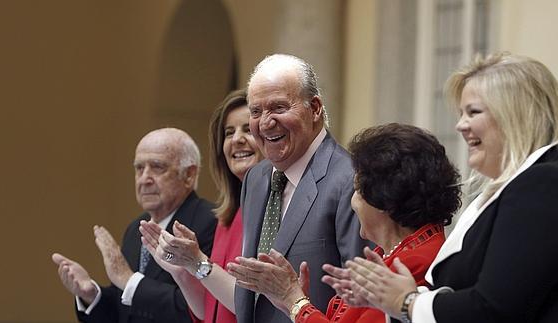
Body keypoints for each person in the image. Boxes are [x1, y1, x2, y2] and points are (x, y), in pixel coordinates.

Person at [345, 53, 558, 323]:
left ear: (514, 114)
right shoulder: (504, 191)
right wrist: (390, 300)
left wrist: (406, 302)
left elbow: (494, 310)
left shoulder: (541, 183)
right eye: (461, 114)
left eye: (473, 112)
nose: (460, 125)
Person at [227, 123, 461, 323]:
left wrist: (294, 301)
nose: (353, 201)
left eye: (358, 190)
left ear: (385, 199)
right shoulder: (394, 252)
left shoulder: (415, 263)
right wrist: (297, 301)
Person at [228, 53, 369, 323]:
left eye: (279, 108)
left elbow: (361, 301)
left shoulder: (349, 180)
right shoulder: (256, 179)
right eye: (256, 112)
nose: (266, 122)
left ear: (315, 108)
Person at [52, 128, 217, 323]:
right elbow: (125, 307)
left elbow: (199, 310)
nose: (144, 179)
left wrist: (128, 280)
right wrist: (91, 294)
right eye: (139, 168)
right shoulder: (135, 229)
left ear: (189, 175)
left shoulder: (210, 222)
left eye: (157, 167)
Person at [139, 89, 263, 323]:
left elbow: (247, 304)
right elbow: (209, 312)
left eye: (247, 129)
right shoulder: (227, 217)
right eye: (229, 133)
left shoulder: (271, 211)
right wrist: (181, 271)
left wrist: (197, 262)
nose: (237, 139)